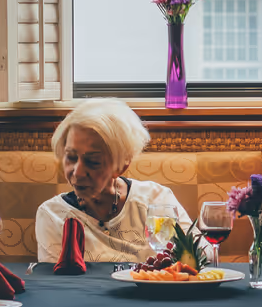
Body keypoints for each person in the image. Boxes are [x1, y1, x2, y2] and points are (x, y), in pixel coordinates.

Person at [35, 99, 191, 264]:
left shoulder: (155, 200)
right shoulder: (53, 215)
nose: (78, 172)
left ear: (122, 165)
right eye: (71, 157)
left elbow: (198, 254)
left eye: (93, 161)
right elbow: (56, 283)